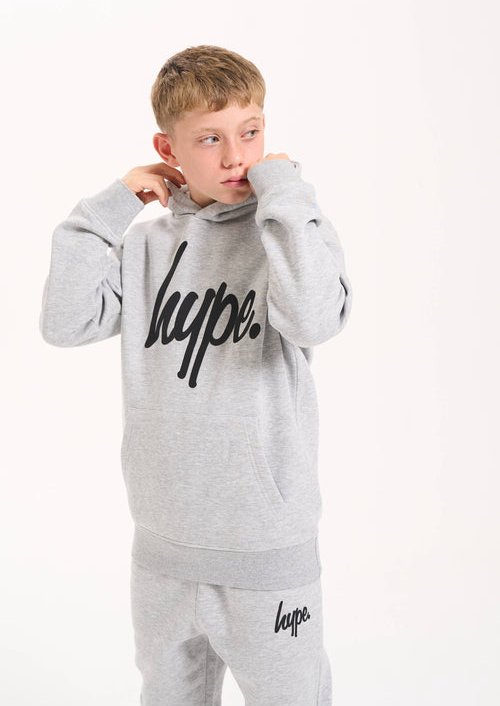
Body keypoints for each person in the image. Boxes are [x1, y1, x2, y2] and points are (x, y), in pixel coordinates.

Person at [39, 44, 353, 706]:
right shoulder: (146, 247)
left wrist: (285, 192)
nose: (237, 156)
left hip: (267, 556)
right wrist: (111, 206)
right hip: (163, 553)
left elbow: (315, 318)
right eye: (210, 139)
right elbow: (65, 321)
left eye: (251, 131)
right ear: (168, 148)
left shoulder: (291, 234)